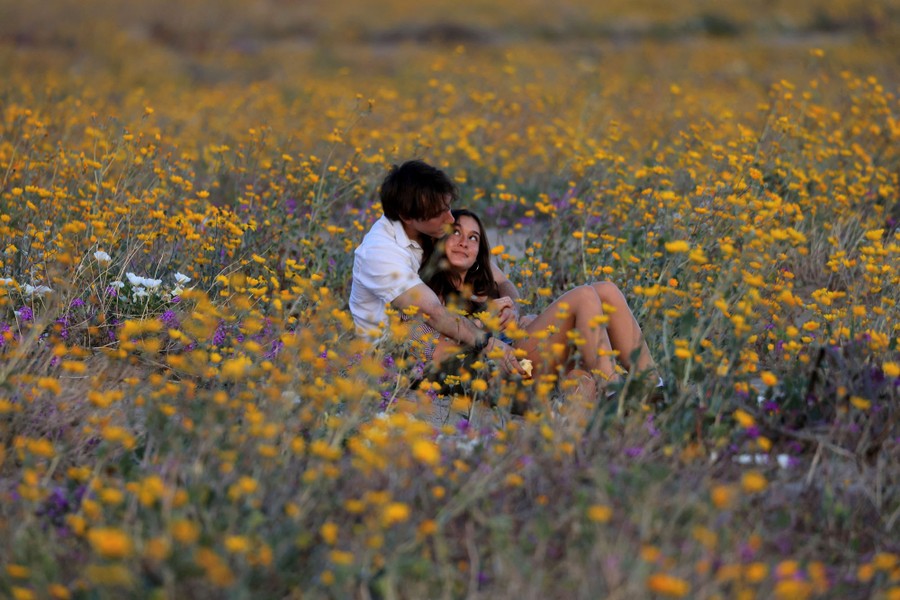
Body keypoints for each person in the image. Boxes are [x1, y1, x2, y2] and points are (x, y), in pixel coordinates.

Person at [415, 208, 661, 399]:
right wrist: (484, 321)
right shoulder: (428, 289)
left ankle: (655, 386)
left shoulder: (476, 276)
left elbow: (505, 282)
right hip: (509, 364)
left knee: (607, 289)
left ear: (478, 251)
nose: (464, 242)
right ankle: (612, 388)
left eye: (473, 238)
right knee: (584, 296)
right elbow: (438, 351)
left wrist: (514, 308)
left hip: (524, 348)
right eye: (455, 232)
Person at [349, 160, 525, 376]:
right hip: (399, 355)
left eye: (448, 207)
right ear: (407, 217)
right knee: (518, 371)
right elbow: (433, 313)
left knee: (533, 335)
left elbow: (501, 280)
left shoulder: (431, 229)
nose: (451, 219)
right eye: (439, 213)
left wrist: (512, 309)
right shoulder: (380, 253)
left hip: (446, 335)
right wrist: (487, 341)